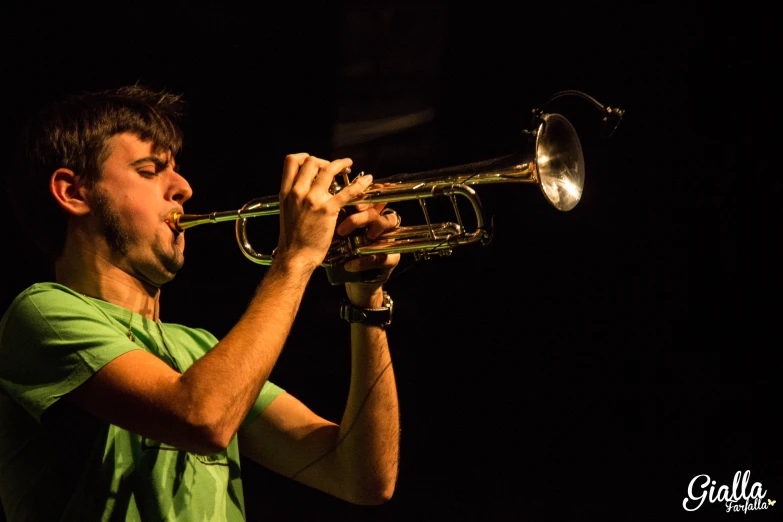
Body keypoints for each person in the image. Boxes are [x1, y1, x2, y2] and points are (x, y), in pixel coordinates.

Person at [0, 84, 401, 521]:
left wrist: (368, 303)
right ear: (73, 192)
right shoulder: (41, 312)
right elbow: (202, 416)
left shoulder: (199, 350)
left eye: (175, 169)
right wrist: (296, 256)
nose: (185, 188)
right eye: (150, 170)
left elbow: (363, 478)